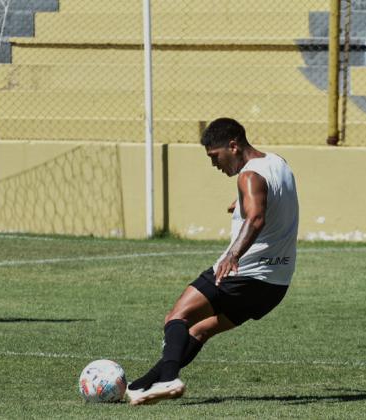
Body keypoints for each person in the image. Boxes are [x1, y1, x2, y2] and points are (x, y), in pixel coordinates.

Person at [126, 118, 299, 405]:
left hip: (244, 273)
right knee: (200, 330)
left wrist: (233, 254)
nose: (214, 164)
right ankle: (142, 385)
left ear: (233, 146)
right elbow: (269, 194)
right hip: (275, 284)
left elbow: (256, 218)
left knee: (176, 318)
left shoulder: (248, 177)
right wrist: (241, 199)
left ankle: (168, 379)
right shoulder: (277, 162)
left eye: (214, 156)